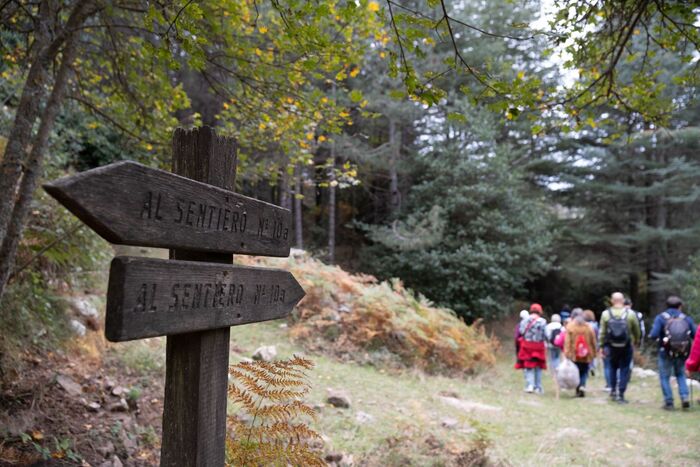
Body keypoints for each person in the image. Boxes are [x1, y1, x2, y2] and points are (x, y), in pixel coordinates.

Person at [648, 296, 696, 410]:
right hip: (682, 351)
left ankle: (669, 402)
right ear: (680, 306)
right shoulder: (686, 319)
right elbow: (695, 335)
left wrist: (660, 339)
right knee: (680, 374)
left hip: (665, 351)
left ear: (667, 306)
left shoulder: (661, 318)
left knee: (665, 376)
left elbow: (653, 334)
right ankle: (684, 397)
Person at [598, 292, 641, 403]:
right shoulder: (630, 314)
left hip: (611, 346)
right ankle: (621, 393)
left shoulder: (605, 314)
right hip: (626, 345)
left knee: (612, 367)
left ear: (612, 301)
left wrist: (601, 346)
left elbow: (602, 332)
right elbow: (637, 329)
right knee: (624, 369)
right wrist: (636, 341)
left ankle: (613, 390)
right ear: (622, 301)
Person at [564, 308, 597, 397]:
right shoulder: (588, 327)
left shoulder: (570, 326)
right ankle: (582, 385)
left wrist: (566, 353)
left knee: (576, 371)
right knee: (584, 371)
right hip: (586, 354)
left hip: (574, 354)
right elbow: (593, 341)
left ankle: (578, 388)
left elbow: (567, 342)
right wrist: (594, 353)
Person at [517, 303, 548, 394]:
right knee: (538, 366)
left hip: (527, 345)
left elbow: (521, 331)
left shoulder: (525, 321)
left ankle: (530, 385)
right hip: (539, 346)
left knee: (528, 365)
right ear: (540, 311)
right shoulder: (543, 322)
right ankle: (538, 387)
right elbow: (545, 335)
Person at [583, 309, 599, 376]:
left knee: (585, 356)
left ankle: (587, 368)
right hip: (593, 343)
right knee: (593, 356)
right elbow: (597, 335)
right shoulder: (595, 325)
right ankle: (592, 367)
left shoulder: (583, 325)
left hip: (585, 342)